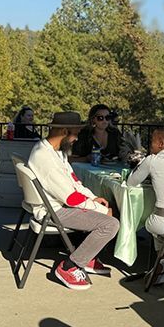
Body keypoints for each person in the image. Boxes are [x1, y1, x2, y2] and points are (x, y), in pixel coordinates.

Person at [27, 111, 119, 291]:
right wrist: (99, 210)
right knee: (111, 224)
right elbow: (71, 198)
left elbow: (75, 182)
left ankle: (87, 254)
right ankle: (70, 266)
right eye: (75, 133)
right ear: (63, 131)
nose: (76, 138)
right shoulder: (45, 159)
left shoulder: (53, 152)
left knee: (110, 208)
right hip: (55, 210)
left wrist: (93, 198)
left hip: (59, 205)